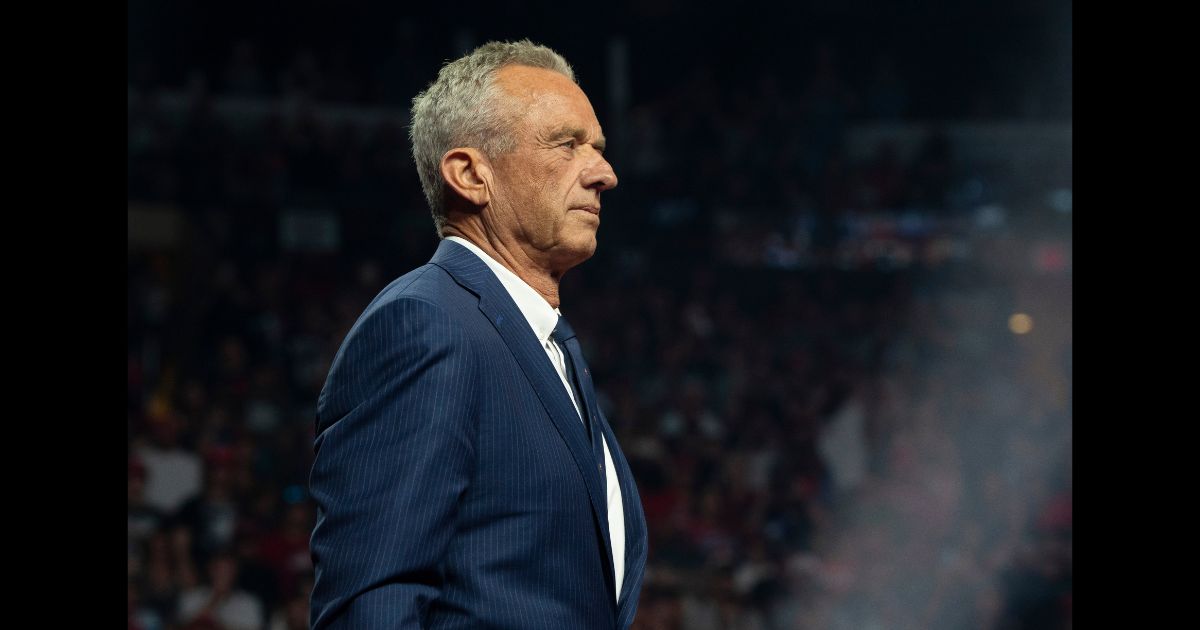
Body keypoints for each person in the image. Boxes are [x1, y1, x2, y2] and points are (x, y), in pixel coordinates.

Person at [309, 39, 648, 629]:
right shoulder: (427, 325)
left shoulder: (542, 345)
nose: (605, 174)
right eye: (566, 145)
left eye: (598, 148)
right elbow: (373, 602)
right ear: (470, 175)